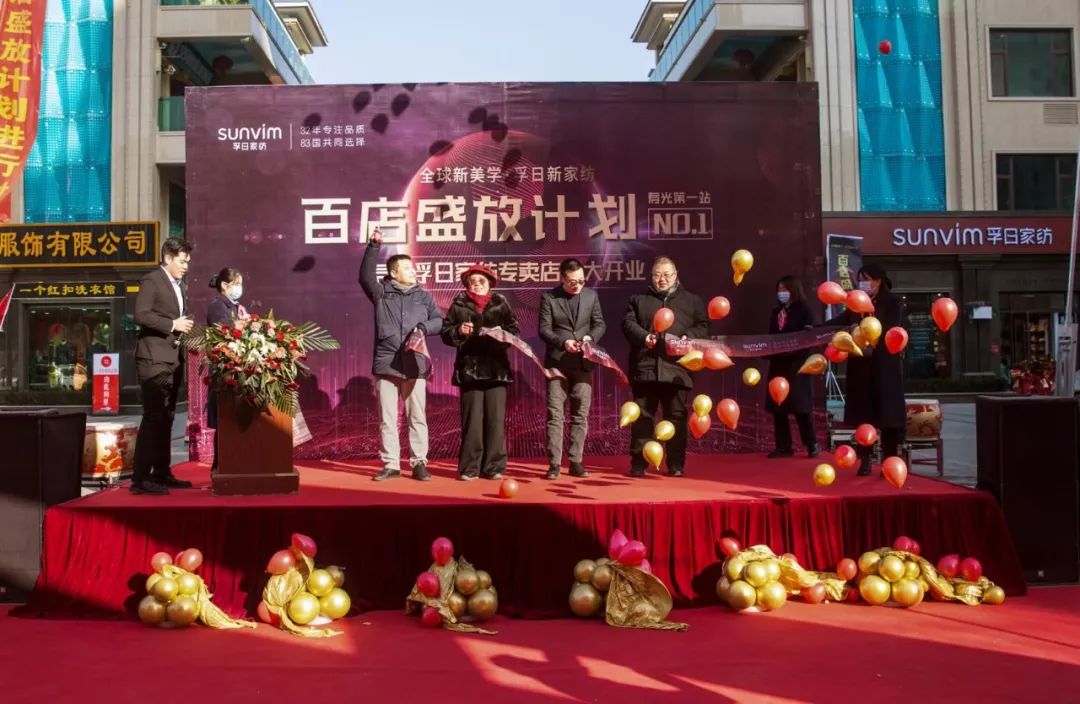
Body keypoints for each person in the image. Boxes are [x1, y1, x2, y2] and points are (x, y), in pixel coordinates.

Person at [361, 227, 444, 482]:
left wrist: (424, 327)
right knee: (387, 418)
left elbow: (439, 321)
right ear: (394, 272)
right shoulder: (381, 293)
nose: (413, 271)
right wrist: (373, 246)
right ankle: (391, 464)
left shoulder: (424, 297)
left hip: (414, 363)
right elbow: (365, 277)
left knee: (417, 417)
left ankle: (419, 463)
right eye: (407, 268)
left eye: (412, 267)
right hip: (386, 363)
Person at [622, 256, 708, 477]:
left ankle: (676, 465)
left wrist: (688, 337)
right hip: (645, 368)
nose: (662, 279)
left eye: (667, 275)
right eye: (657, 275)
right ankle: (639, 464)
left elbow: (703, 326)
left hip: (677, 369)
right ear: (651, 276)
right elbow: (628, 324)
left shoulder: (692, 301)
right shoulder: (638, 300)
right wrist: (644, 337)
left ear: (676, 275)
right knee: (642, 417)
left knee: (676, 417)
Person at [440, 264, 519, 481]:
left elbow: (514, 330)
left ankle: (493, 467)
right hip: (470, 370)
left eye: (481, 280)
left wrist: (502, 334)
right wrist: (458, 331)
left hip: (496, 369)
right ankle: (469, 468)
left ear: (490, 283)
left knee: (495, 421)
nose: (476, 284)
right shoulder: (459, 303)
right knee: (472, 422)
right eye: (472, 281)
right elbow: (446, 333)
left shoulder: (500, 302)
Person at [829, 263, 906, 475]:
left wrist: (864, 329)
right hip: (861, 366)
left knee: (887, 416)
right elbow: (839, 321)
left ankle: (889, 462)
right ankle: (865, 460)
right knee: (864, 415)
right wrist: (816, 328)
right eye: (861, 279)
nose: (863, 283)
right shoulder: (856, 303)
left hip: (885, 366)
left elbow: (893, 328)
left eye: (867, 279)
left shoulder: (893, 302)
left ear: (878, 281)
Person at [131, 237, 194, 495]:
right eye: (182, 261)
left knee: (167, 418)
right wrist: (172, 325)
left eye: (187, 262)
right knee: (153, 416)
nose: (186, 266)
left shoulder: (180, 285)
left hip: (173, 358)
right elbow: (141, 314)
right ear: (168, 258)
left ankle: (162, 472)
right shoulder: (152, 280)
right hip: (153, 359)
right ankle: (140, 479)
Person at [538, 258, 606, 480]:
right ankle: (554, 464)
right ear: (562, 279)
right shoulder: (549, 297)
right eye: (572, 282)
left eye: (581, 281)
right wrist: (562, 342)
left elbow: (599, 324)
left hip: (583, 364)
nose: (577, 285)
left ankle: (576, 461)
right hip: (557, 364)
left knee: (580, 414)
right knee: (555, 415)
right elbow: (544, 329)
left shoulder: (591, 296)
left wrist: (590, 338)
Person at [765, 275, 820, 459]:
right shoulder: (776, 312)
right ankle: (783, 446)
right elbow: (771, 336)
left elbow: (810, 336)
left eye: (785, 289)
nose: (781, 293)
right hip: (778, 364)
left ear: (794, 290)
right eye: (779, 290)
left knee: (800, 407)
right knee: (778, 406)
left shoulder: (804, 310)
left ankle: (811, 444)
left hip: (797, 365)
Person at [205, 267, 245, 471]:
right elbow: (225, 336)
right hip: (224, 371)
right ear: (224, 285)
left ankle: (227, 465)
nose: (240, 288)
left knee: (229, 424)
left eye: (241, 284)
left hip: (235, 369)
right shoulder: (218, 307)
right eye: (237, 284)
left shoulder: (234, 306)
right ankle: (219, 467)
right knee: (224, 423)